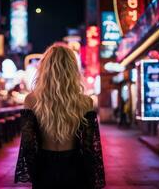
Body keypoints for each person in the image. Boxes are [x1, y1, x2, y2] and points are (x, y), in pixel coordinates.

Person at [14, 44, 106, 189]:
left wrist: (36, 172)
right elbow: (89, 147)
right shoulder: (85, 102)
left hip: (45, 169)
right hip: (75, 169)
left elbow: (28, 146)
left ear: (45, 69)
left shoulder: (31, 100)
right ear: (72, 69)